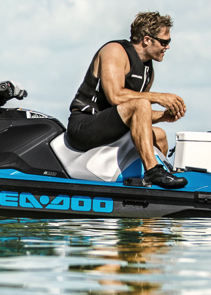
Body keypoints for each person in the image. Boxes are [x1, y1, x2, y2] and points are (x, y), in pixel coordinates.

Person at [68, 11, 188, 189]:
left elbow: (138, 115)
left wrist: (163, 116)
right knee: (142, 103)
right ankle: (152, 170)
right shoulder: (115, 51)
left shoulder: (148, 69)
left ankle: (159, 187)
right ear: (147, 39)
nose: (168, 47)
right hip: (84, 126)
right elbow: (116, 96)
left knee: (160, 135)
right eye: (164, 41)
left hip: (112, 128)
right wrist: (159, 97)